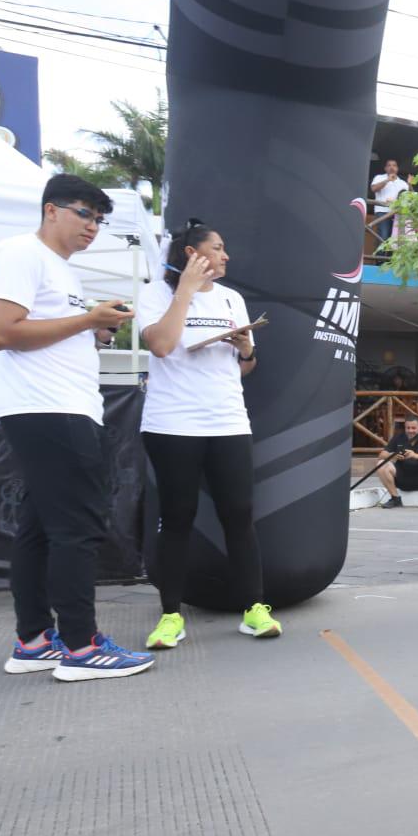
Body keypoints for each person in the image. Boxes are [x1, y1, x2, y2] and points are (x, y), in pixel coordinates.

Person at [0, 174, 150, 680]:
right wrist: (84, 321)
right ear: (51, 210)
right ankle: (82, 646)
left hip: (55, 405)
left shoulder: (58, 269)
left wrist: (91, 330)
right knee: (77, 529)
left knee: (39, 531)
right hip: (50, 409)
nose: (93, 226)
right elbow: (1, 332)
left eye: (100, 219)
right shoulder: (21, 253)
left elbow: (38, 332)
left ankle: (33, 640)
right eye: (84, 214)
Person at [136, 220, 279, 648]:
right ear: (191, 255)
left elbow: (246, 367)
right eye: (217, 248)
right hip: (172, 423)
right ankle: (170, 616)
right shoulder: (154, 294)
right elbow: (161, 345)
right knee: (177, 518)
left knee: (239, 515)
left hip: (228, 421)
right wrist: (184, 292)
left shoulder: (232, 298)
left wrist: (246, 347)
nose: (225, 256)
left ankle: (253, 608)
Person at [377, 414, 418, 507]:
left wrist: (416, 456)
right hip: (401, 476)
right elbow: (381, 455)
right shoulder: (399, 437)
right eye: (408, 428)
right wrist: (393, 455)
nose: (410, 431)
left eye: (413, 428)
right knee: (381, 464)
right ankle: (395, 498)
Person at [368, 159, 407, 242]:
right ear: (385, 168)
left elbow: (407, 197)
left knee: (394, 239)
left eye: (394, 165)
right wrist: (388, 180)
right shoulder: (379, 178)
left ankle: (389, 255)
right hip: (382, 211)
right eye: (389, 165)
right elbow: (373, 189)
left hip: (397, 214)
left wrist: (410, 184)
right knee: (383, 236)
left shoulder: (403, 183)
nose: (391, 167)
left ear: (397, 168)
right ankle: (379, 255)